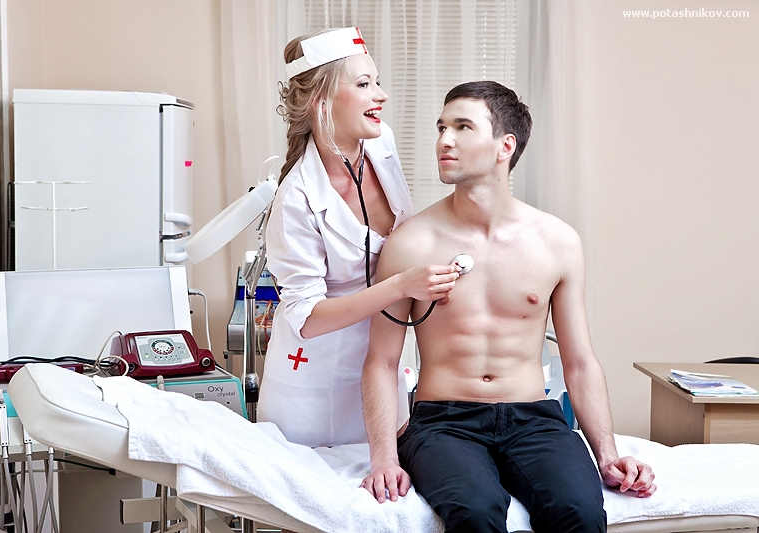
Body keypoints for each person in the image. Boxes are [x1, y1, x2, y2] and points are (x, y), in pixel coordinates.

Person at [361, 81, 657, 532]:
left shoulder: (556, 242)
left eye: (463, 127)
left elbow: (579, 362)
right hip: (443, 422)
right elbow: (381, 361)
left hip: (534, 420)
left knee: (578, 511)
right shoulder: (411, 243)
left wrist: (608, 454)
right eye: (441, 127)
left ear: (506, 146)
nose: (444, 140)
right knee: (476, 510)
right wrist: (384, 458)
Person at [257, 27, 461, 448]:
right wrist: (402, 286)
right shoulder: (297, 199)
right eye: (364, 84)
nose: (381, 95)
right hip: (317, 388)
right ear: (322, 101)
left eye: (377, 82)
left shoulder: (382, 143)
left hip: (383, 368)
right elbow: (308, 319)